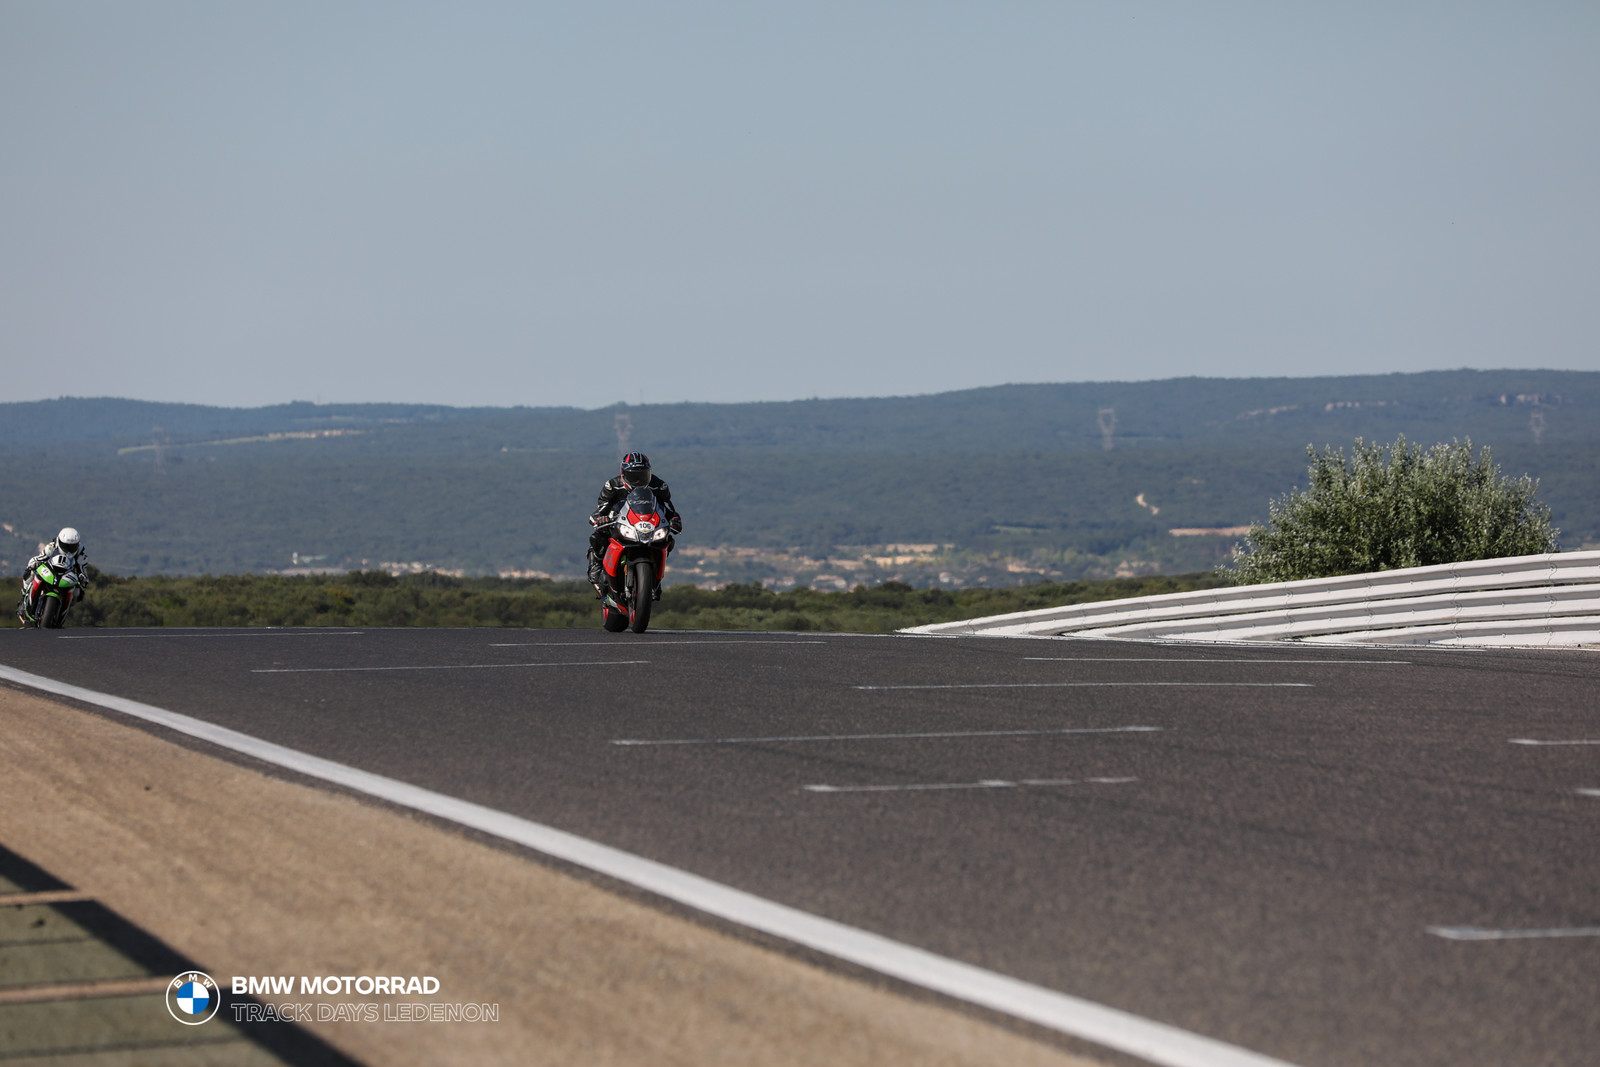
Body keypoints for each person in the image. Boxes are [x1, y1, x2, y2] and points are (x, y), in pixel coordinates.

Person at [587, 453, 681, 594]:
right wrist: (601, 518)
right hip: (620, 522)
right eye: (633, 476)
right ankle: (597, 566)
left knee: (667, 540)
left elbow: (668, 508)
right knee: (599, 536)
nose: (638, 480)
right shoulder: (612, 485)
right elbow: (601, 508)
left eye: (642, 475)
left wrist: (675, 520)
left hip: (648, 524)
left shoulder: (659, 486)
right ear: (623, 474)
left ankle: (654, 572)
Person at [19, 527, 89, 622]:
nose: (68, 549)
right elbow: (41, 557)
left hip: (67, 575)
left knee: (78, 593)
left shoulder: (81, 553)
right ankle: (24, 596)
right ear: (59, 541)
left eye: (72, 546)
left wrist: (83, 578)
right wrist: (34, 563)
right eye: (65, 545)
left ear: (77, 544)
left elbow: (83, 568)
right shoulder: (52, 546)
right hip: (51, 570)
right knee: (31, 572)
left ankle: (65, 607)